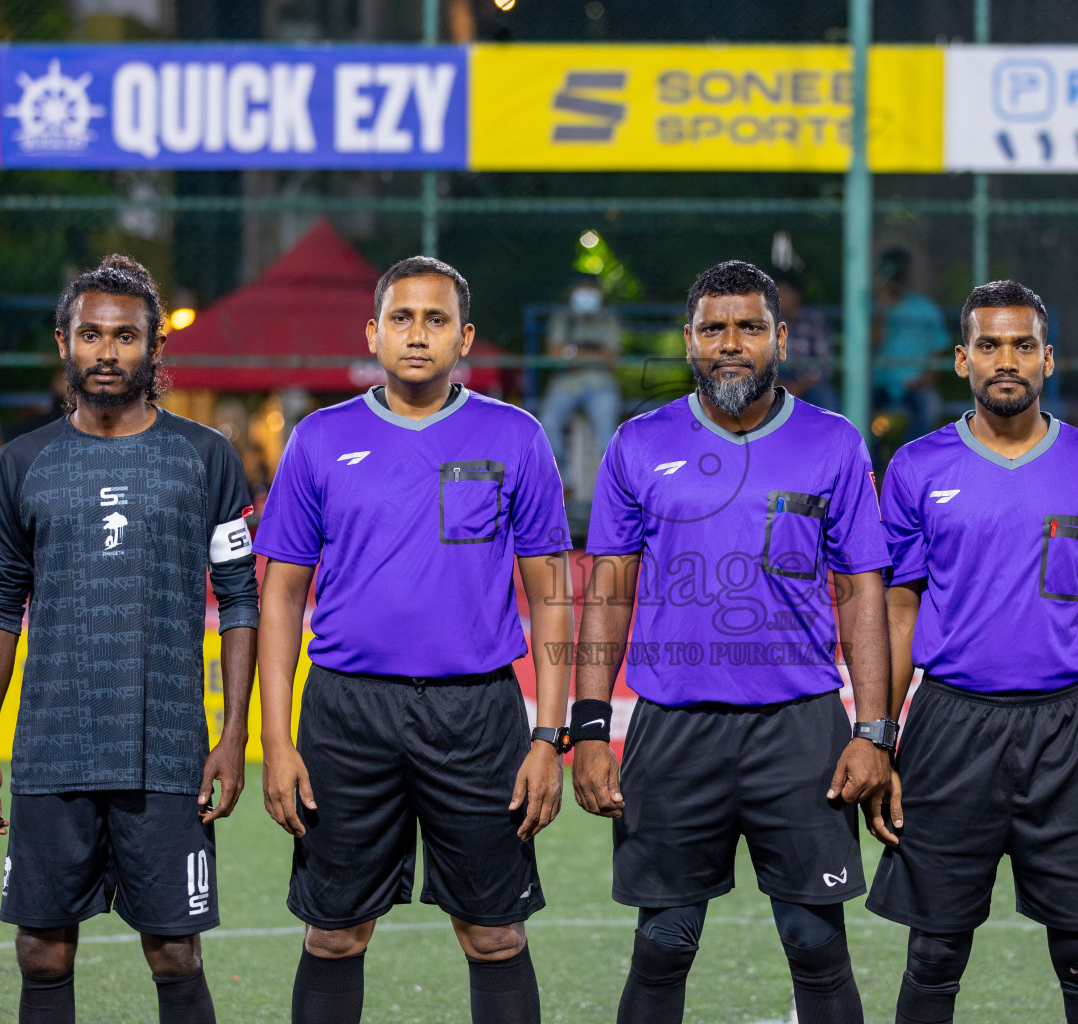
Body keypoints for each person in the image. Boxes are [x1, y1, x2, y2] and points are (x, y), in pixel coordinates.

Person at [572, 260, 898, 1024]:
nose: (730, 343)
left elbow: (862, 596)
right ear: (689, 340)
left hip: (800, 727)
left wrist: (874, 731)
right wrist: (589, 728)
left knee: (815, 942)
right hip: (673, 728)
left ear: (778, 339)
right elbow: (607, 591)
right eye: (713, 328)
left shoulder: (834, 444)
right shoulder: (638, 443)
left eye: (749, 327)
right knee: (663, 942)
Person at [255, 256, 574, 1024]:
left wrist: (548, 738)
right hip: (345, 715)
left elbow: (553, 598)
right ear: (373, 332)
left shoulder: (516, 436)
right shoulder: (319, 440)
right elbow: (281, 596)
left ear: (464, 338)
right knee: (332, 936)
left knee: (495, 936)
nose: (418, 334)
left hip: (477, 715)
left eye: (436, 320)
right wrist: (277, 737)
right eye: (402, 318)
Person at [0, 254, 259, 1024]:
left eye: (125, 337)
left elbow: (238, 600)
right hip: (53, 748)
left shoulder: (206, 458)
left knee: (174, 951)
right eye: (90, 334)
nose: (106, 351)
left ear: (154, 349)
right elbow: (0, 604)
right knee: (42, 951)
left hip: (166, 752)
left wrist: (233, 737)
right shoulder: (22, 464)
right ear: (63, 341)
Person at [867, 280, 1078, 1024]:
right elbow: (900, 608)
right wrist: (880, 739)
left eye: (1023, 345)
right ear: (962, 359)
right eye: (989, 345)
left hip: (1069, 730)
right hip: (950, 726)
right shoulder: (917, 468)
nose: (1006, 359)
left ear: (1048, 358)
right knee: (933, 954)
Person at [537, 273, 623, 467]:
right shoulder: (562, 318)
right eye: (582, 289)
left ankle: (614, 485)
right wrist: (595, 353)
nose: (587, 294)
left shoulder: (608, 319)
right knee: (546, 424)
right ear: (572, 292)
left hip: (600, 382)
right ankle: (563, 481)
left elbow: (611, 358)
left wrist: (571, 352)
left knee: (607, 433)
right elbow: (553, 353)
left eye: (591, 289)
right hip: (566, 382)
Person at [872, 248, 949, 443]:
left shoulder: (925, 308)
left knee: (930, 406)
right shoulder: (871, 307)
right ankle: (872, 465)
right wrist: (881, 311)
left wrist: (929, 377)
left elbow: (939, 346)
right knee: (856, 405)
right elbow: (870, 346)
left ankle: (904, 460)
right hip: (878, 383)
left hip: (915, 384)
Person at [776, 269, 838, 411]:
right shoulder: (768, 321)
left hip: (809, 381)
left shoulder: (813, 320)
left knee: (826, 398)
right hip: (777, 380)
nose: (778, 296)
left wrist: (799, 385)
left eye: (783, 291)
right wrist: (779, 383)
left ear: (796, 294)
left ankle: (831, 433)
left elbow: (825, 363)